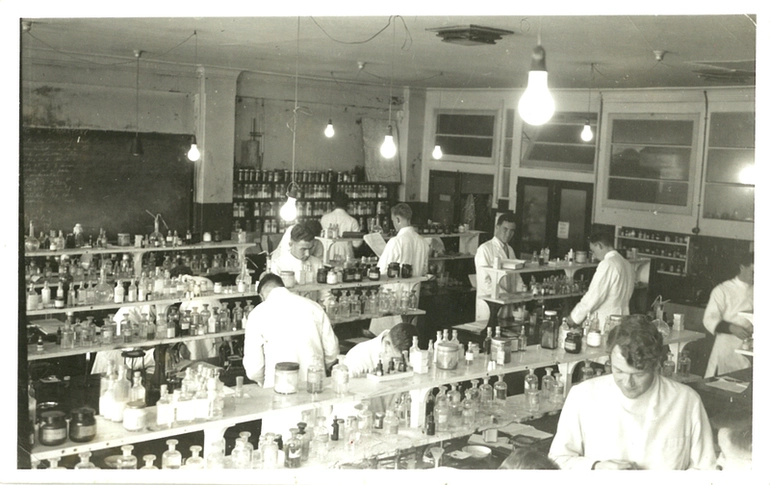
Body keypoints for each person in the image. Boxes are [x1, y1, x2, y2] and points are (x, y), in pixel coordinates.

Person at [548, 314, 716, 470]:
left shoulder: (686, 401)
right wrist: (596, 467)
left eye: (639, 374)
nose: (628, 383)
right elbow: (558, 460)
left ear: (657, 364)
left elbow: (706, 469)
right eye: (619, 371)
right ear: (610, 360)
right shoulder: (583, 396)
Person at [242, 273, 339, 388]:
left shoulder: (257, 314)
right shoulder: (314, 307)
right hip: (314, 385)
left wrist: (265, 381)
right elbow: (332, 351)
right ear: (283, 287)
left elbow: (254, 368)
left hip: (277, 387)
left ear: (261, 296)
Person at [566, 231, 635, 328]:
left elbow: (594, 296)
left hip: (605, 323)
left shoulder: (608, 264)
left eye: (593, 251)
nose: (594, 255)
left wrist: (573, 318)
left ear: (599, 245)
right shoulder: (627, 264)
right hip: (623, 320)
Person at [702, 252, 753, 378]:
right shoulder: (723, 290)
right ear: (742, 267)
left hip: (749, 346)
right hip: (726, 346)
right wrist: (731, 328)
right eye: (754, 273)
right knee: (722, 383)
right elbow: (709, 318)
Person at [473, 212, 518, 320]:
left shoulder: (510, 250)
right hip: (490, 304)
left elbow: (517, 276)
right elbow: (485, 282)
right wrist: (507, 296)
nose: (508, 234)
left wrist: (520, 294)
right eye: (505, 229)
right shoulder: (485, 249)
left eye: (512, 231)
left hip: (508, 303)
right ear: (497, 227)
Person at [343, 323, 418, 378]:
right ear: (386, 345)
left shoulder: (411, 353)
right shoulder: (358, 357)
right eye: (398, 361)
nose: (403, 366)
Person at [377, 203, 430, 278]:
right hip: (415, 288)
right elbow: (424, 271)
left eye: (393, 221)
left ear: (398, 220)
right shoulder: (423, 242)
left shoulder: (395, 242)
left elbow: (381, 270)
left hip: (393, 288)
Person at [320, 191, 362, 262]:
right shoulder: (352, 221)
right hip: (346, 255)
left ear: (333, 203)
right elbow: (356, 244)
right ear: (347, 204)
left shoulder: (325, 218)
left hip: (328, 253)